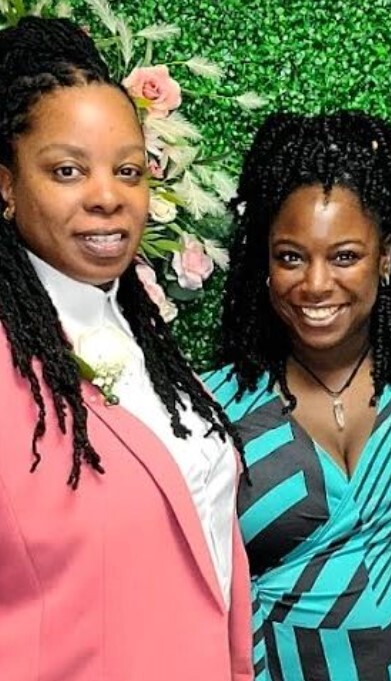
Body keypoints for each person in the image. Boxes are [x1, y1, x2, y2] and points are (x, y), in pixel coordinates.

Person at [0, 16, 252, 681]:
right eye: (66, 170)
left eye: (129, 170)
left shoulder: (145, 342)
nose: (108, 197)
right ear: (5, 185)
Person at [204, 111, 391, 681]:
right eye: (291, 257)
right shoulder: (213, 407)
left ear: (386, 259)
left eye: (345, 256)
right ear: (264, 264)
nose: (316, 284)